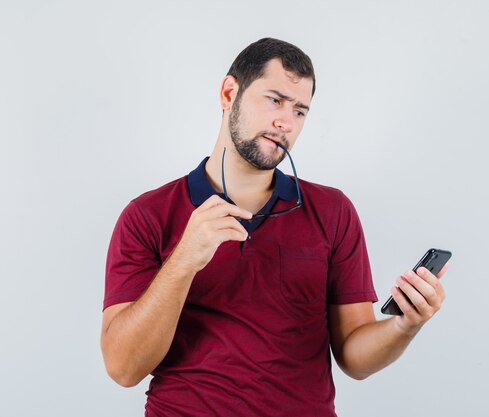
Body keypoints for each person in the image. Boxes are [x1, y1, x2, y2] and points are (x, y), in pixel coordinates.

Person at [101, 37, 448, 416]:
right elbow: (123, 368)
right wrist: (184, 260)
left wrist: (404, 327)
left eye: (300, 111)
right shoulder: (147, 215)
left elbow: (354, 356)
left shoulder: (332, 211)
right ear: (229, 92)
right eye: (274, 100)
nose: (285, 122)